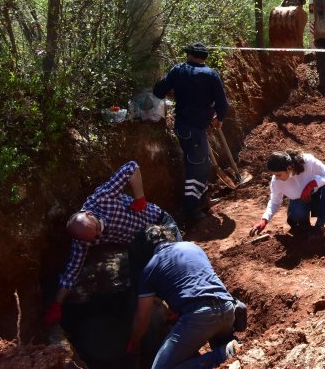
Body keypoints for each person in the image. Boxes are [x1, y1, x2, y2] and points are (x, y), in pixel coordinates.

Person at [44, 161, 182, 325]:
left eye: (97, 229)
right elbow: (72, 272)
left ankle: (187, 306)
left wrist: (140, 199)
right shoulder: (83, 242)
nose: (100, 234)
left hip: (160, 223)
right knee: (141, 282)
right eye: (95, 237)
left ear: (89, 214)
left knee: (176, 263)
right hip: (140, 243)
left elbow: (132, 167)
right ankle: (170, 314)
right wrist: (57, 304)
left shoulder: (101, 198)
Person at [127, 225, 239, 369]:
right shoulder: (193, 247)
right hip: (228, 308)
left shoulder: (150, 267)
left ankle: (222, 355)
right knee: (214, 335)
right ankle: (227, 347)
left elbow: (142, 318)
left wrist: (134, 342)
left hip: (200, 316)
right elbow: (195, 283)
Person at [153, 42, 229, 222]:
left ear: (189, 55)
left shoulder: (178, 70)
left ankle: (201, 200)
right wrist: (219, 118)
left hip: (183, 127)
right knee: (199, 167)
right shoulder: (211, 75)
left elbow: (158, 91)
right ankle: (190, 209)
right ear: (204, 58)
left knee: (197, 163)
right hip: (195, 129)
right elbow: (222, 104)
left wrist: (174, 87)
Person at [249, 150, 325, 240]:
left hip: (321, 196)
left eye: (278, 174)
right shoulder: (276, 181)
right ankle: (305, 226)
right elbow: (275, 202)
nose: (276, 178)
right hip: (301, 201)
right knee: (297, 216)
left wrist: (312, 184)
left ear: (289, 168)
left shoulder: (307, 161)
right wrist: (264, 220)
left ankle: (319, 227)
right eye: (274, 175)